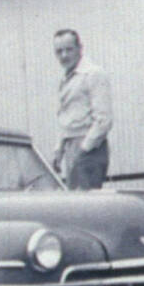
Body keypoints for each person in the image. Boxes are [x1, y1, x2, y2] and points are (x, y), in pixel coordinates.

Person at [51, 28, 112, 189]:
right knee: (74, 201)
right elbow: (65, 116)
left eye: (69, 49)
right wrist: (59, 150)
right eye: (59, 51)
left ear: (80, 48)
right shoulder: (66, 78)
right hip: (71, 147)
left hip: (89, 147)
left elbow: (104, 120)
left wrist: (84, 149)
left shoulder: (93, 74)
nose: (64, 55)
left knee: (86, 205)